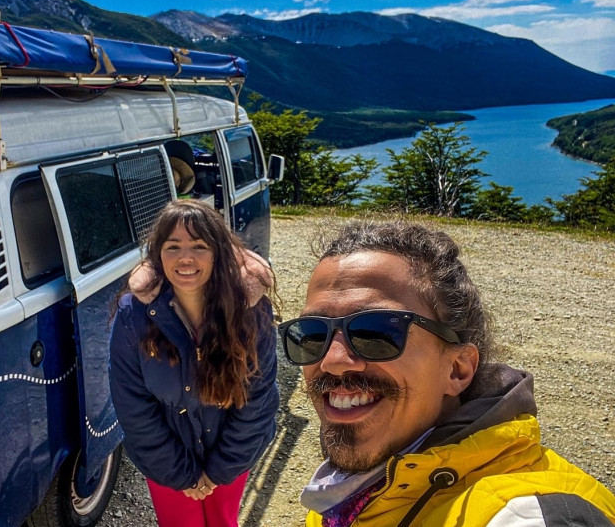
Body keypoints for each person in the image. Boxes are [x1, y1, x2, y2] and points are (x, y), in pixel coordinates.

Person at [278, 220, 615, 527]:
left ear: (457, 369)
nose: (333, 360)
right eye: (312, 334)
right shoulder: (356, 486)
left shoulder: (526, 514)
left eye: (376, 333)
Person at [109, 200, 279, 527]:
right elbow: (131, 404)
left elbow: (259, 400)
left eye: (199, 246)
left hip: (229, 457)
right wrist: (180, 474)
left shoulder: (250, 311)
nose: (186, 257)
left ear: (218, 253)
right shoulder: (134, 314)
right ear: (158, 255)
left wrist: (220, 471)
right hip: (167, 461)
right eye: (173, 246)